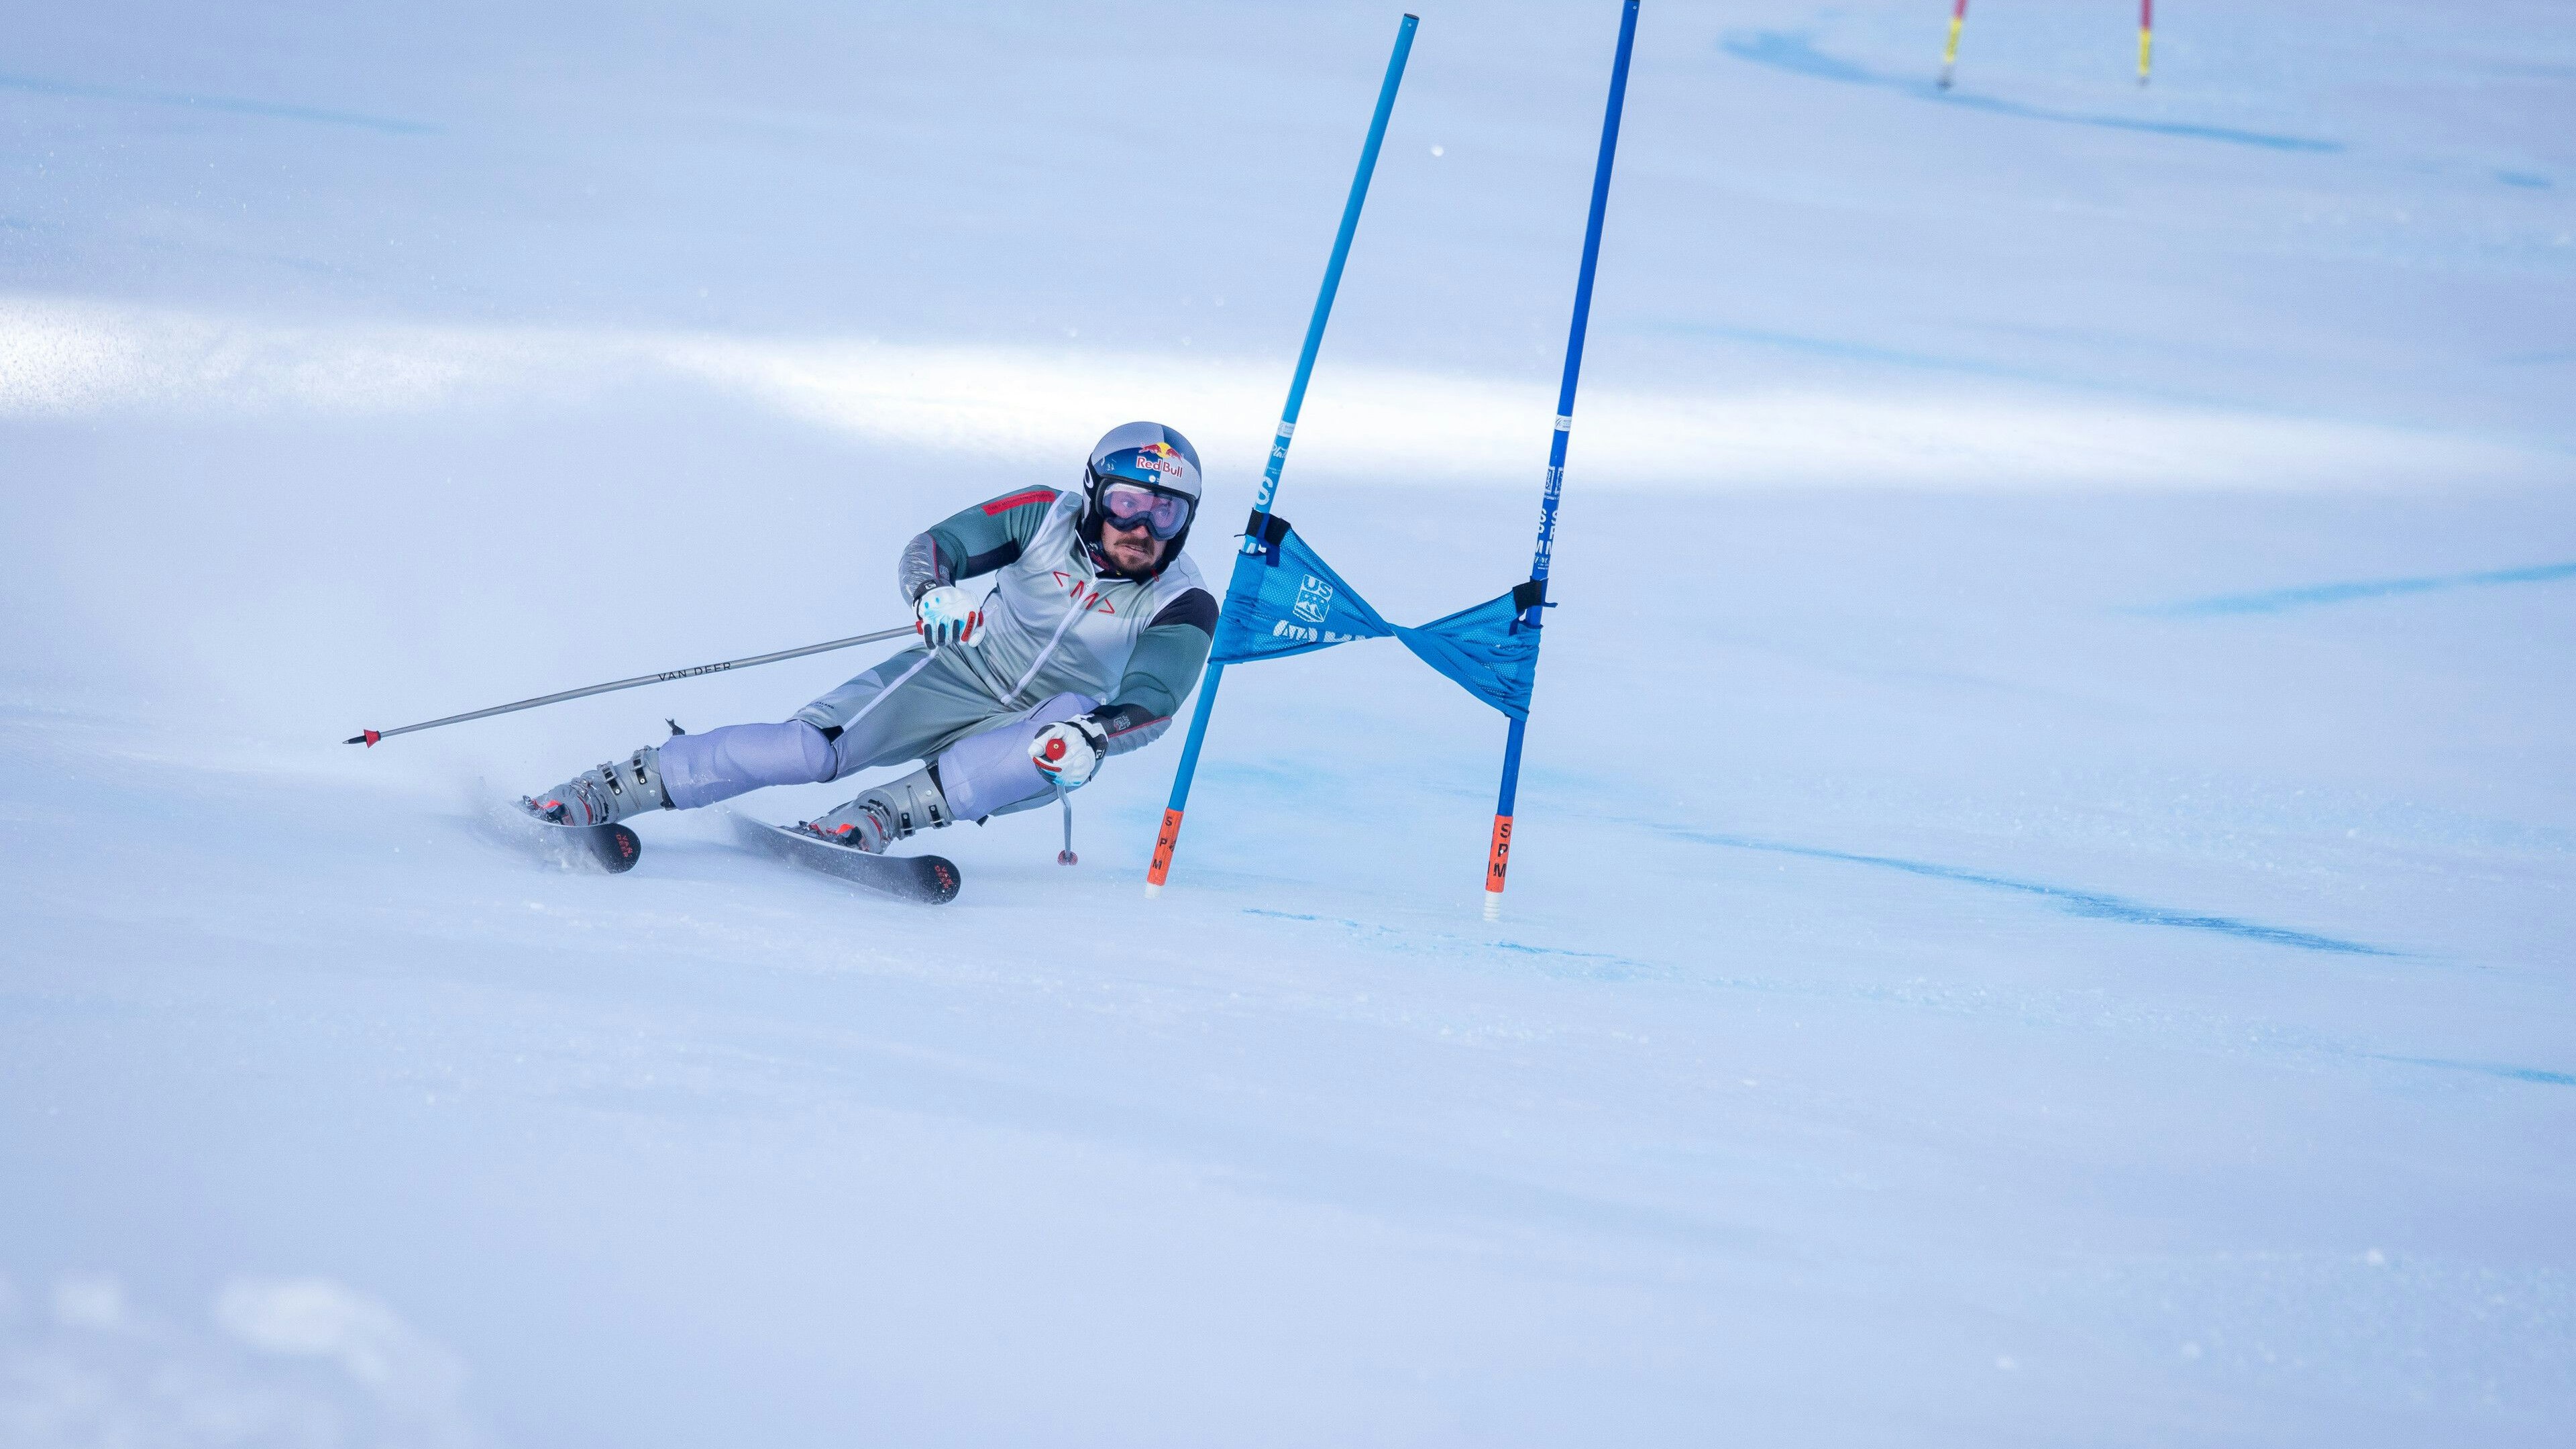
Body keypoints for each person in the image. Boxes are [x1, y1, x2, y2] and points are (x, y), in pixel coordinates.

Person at [523, 422, 1217, 854]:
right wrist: (933, 591)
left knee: (1065, 734)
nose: (1142, 528)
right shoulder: (1042, 515)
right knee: (808, 749)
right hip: (962, 671)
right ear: (1095, 495)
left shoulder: (1182, 599)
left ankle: (878, 818)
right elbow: (938, 546)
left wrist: (1098, 734)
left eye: (1165, 512)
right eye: (1127, 502)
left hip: (1046, 722)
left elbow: (1155, 698)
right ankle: (618, 786)